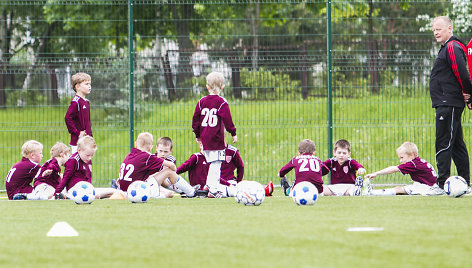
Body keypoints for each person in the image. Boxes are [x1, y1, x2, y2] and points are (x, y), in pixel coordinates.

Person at [430, 16, 471, 190]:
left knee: (444, 141)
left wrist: (469, 93)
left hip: (448, 103)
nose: (435, 32)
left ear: (449, 28)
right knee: (455, 144)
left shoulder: (452, 47)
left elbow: (462, 72)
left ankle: (441, 184)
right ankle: (465, 182)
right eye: (433, 30)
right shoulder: (446, 48)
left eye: (439, 29)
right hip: (446, 102)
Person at [192, 71, 237, 196]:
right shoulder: (222, 102)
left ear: (207, 86)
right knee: (217, 163)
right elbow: (228, 119)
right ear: (222, 86)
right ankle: (212, 189)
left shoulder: (201, 102)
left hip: (205, 137)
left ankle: (208, 186)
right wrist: (233, 133)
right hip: (216, 138)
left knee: (213, 162)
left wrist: (198, 135)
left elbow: (195, 120)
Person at [117, 132, 198, 198]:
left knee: (157, 176)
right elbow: (172, 165)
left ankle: (180, 191)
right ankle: (192, 192)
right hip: (138, 190)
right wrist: (173, 173)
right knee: (169, 174)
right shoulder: (147, 157)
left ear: (135, 144)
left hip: (124, 190)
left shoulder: (130, 155)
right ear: (150, 148)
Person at [363, 142, 443, 196]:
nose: (401, 161)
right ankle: (372, 192)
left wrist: (376, 173)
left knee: (399, 189)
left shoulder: (413, 164)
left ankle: (371, 192)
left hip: (428, 188)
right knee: (402, 189)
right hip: (429, 186)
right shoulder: (417, 162)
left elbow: (394, 169)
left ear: (411, 155)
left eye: (402, 157)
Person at [65, 72, 93, 154]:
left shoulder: (86, 102)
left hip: (87, 140)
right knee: (77, 165)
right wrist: (77, 133)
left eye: (90, 84)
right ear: (77, 87)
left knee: (87, 164)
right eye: (86, 84)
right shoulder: (75, 102)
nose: (89, 86)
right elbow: (68, 118)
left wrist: (90, 136)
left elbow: (87, 122)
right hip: (77, 142)